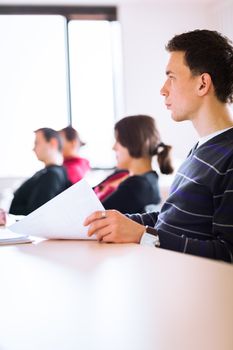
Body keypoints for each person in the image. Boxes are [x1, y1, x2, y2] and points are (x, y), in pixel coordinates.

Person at [84, 29, 233, 263]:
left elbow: (228, 253)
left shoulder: (230, 157)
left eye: (171, 77)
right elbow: (168, 219)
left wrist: (143, 236)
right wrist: (110, 220)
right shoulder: (201, 150)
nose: (163, 89)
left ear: (203, 84)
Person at [94, 115, 173, 214]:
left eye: (118, 141)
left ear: (133, 142)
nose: (114, 147)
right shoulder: (123, 174)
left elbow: (96, 216)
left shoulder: (137, 185)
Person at [9, 128, 70, 215]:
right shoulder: (52, 172)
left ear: (53, 143)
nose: (33, 149)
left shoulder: (51, 175)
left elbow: (36, 213)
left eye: (36, 143)